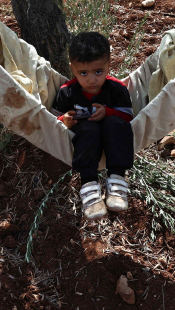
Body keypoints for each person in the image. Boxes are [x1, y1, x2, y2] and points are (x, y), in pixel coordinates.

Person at [51, 32, 134, 221]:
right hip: (85, 141)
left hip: (113, 138)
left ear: (108, 66)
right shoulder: (67, 92)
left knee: (115, 123)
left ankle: (117, 182)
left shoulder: (116, 88)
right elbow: (52, 119)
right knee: (88, 129)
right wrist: (65, 119)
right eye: (83, 73)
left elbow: (128, 116)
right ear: (73, 69)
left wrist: (108, 112)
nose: (91, 80)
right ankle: (89, 187)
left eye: (98, 72)